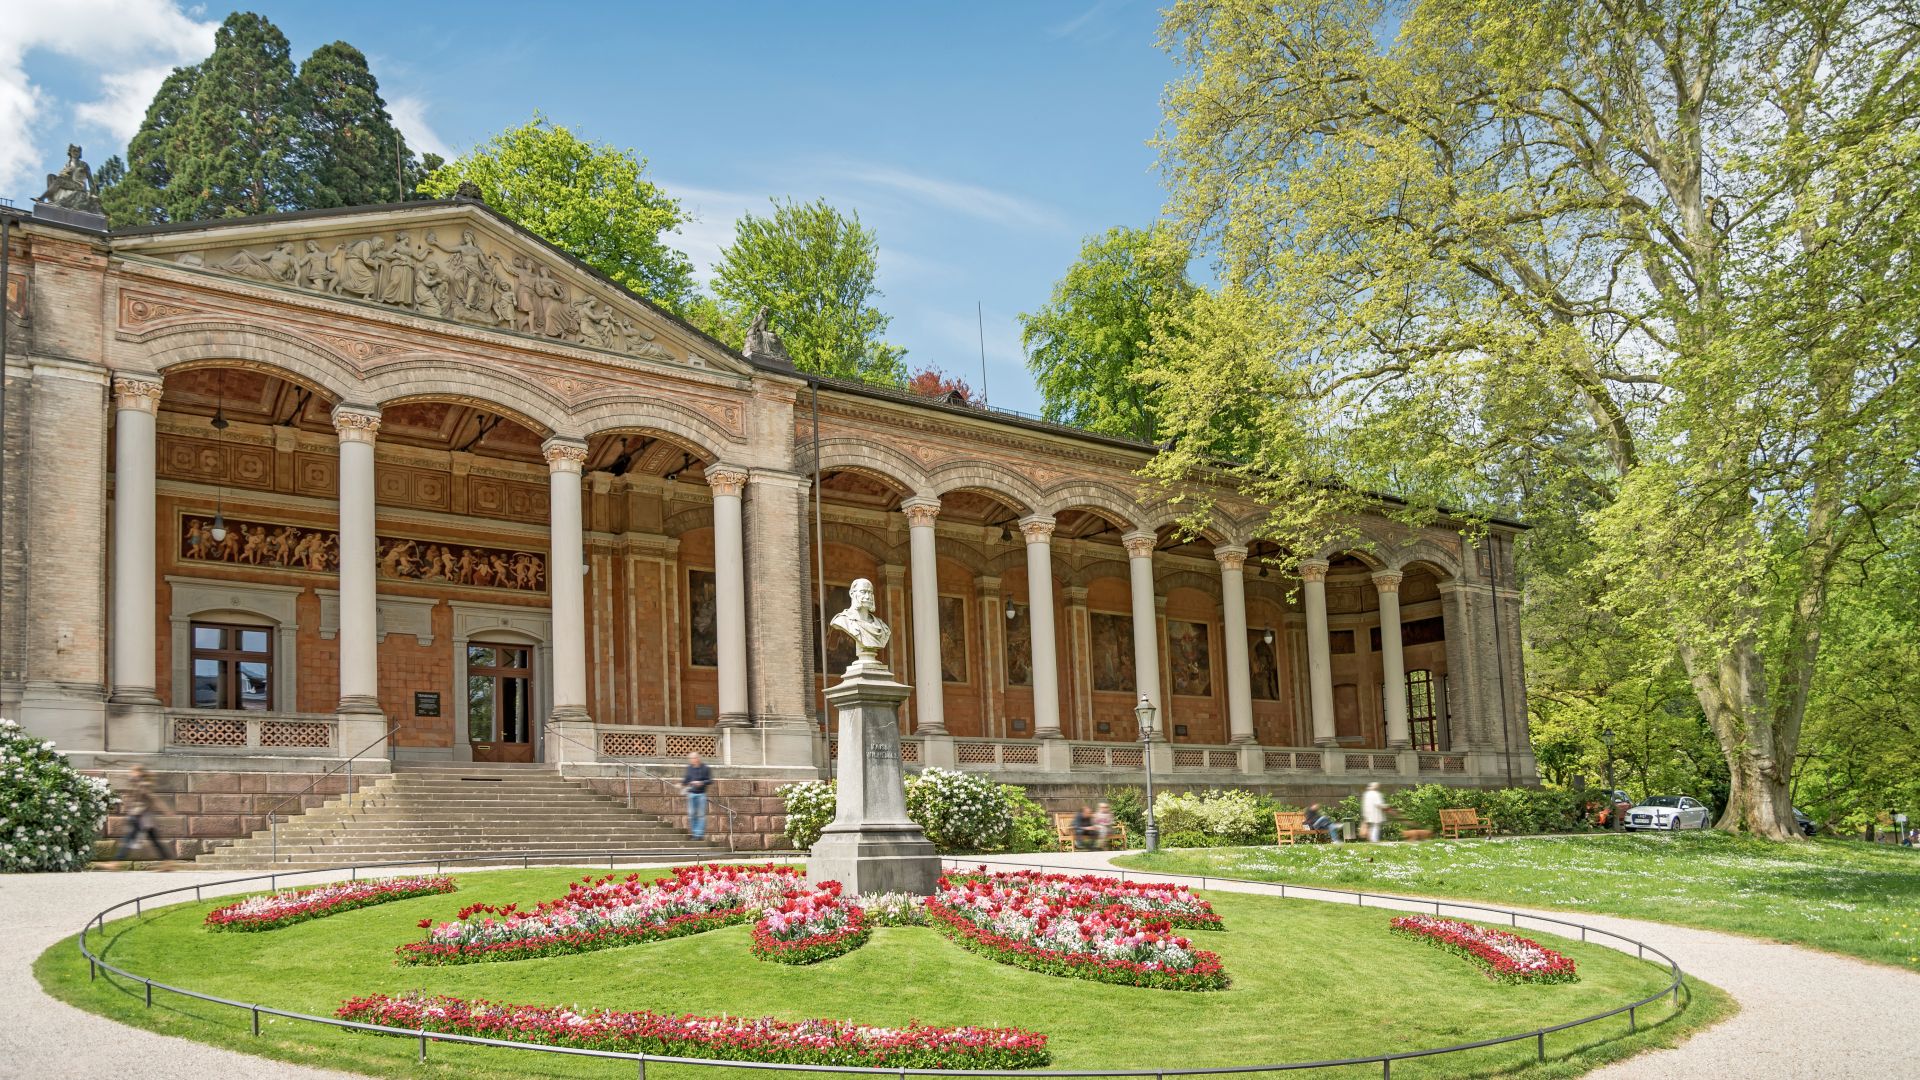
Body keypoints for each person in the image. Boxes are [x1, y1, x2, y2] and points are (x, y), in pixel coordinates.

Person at [114, 765, 172, 862]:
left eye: (133, 772)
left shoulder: (143, 784)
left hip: (141, 818)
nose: (131, 774)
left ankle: (116, 862)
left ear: (139, 773)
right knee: (154, 841)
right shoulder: (136, 784)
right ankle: (168, 862)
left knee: (128, 839)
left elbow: (153, 798)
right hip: (139, 817)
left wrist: (165, 810)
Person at [681, 752, 713, 841]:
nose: (693, 760)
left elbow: (710, 781)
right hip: (691, 794)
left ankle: (699, 834)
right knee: (691, 814)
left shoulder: (705, 768)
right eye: (691, 758)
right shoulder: (689, 768)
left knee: (701, 815)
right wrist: (682, 784)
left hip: (701, 794)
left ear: (698, 758)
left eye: (695, 758)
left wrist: (701, 782)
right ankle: (695, 833)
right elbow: (687, 779)